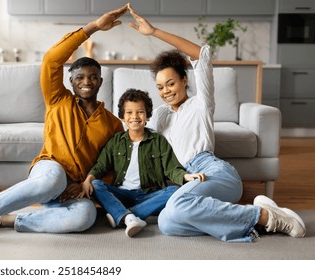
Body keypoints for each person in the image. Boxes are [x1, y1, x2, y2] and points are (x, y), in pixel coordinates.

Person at [0, 5, 128, 248]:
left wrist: (87, 186)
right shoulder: (57, 99)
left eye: (93, 77)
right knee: (51, 181)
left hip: (75, 187)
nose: (87, 82)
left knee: (85, 217)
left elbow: (112, 165)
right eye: (80, 78)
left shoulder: (113, 124)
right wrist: (94, 27)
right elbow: (52, 59)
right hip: (50, 172)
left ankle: (4, 220)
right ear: (71, 82)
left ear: (100, 80)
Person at [125, 4, 306, 242]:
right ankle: (252, 220)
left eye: (171, 83)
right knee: (167, 223)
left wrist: (154, 31)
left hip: (214, 173)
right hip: (187, 180)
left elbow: (201, 54)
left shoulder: (201, 103)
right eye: (160, 87)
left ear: (183, 80)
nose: (166, 91)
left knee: (178, 204)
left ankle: (268, 218)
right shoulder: (160, 115)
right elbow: (137, 136)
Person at [79, 89, 205, 237]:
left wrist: (185, 177)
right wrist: (89, 178)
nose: (135, 117)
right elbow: (101, 165)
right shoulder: (116, 141)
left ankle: (124, 215)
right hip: (122, 194)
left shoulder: (158, 141)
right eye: (129, 112)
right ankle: (130, 215)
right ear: (122, 116)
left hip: (150, 195)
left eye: (140, 112)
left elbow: (172, 169)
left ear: (147, 115)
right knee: (96, 185)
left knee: (174, 191)